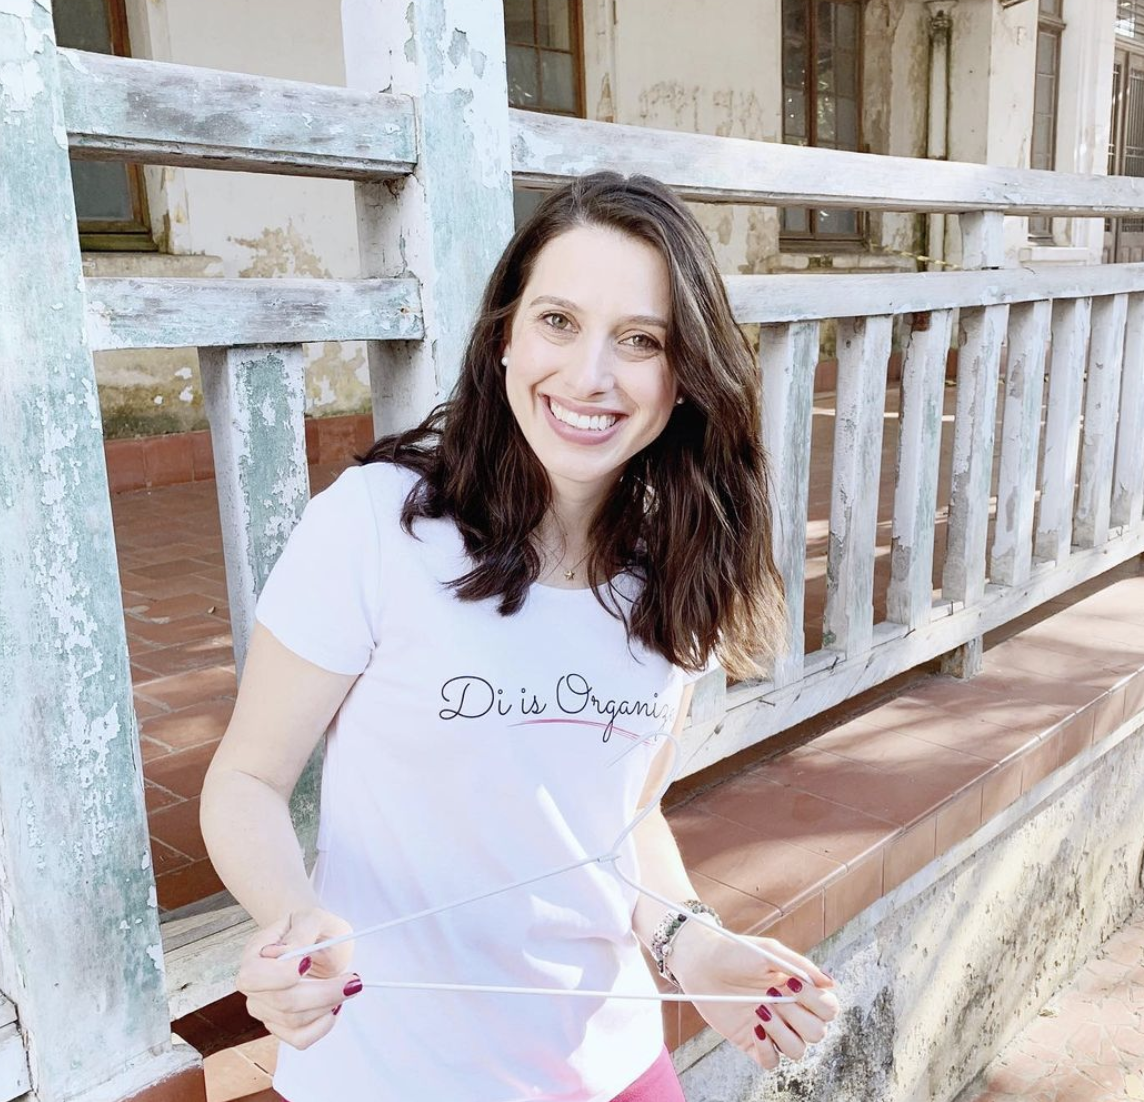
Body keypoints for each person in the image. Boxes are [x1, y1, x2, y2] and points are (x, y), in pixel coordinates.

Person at [199, 171, 840, 1102]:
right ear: (505, 334)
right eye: (559, 321)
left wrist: (693, 945)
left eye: (641, 339)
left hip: (615, 1067)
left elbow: (621, 819)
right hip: (390, 1075)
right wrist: (293, 922)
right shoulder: (379, 526)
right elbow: (246, 781)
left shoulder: (678, 567)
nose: (590, 375)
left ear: (684, 373)